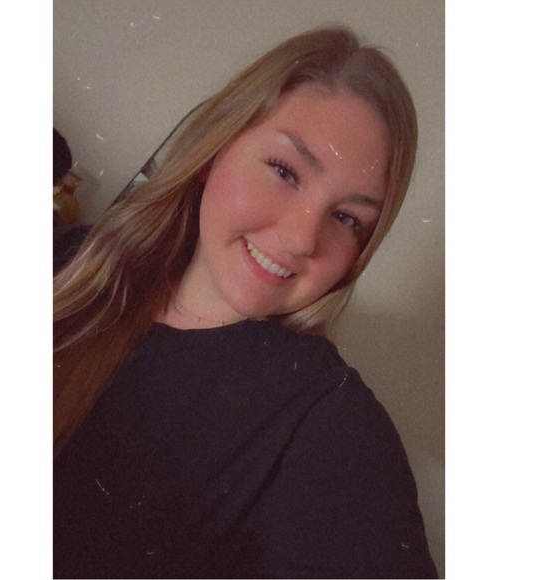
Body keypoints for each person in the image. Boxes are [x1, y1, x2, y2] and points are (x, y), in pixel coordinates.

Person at [53, 26, 438, 579]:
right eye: (285, 171)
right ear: (213, 151)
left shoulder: (329, 424)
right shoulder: (68, 263)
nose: (302, 239)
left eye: (347, 218)